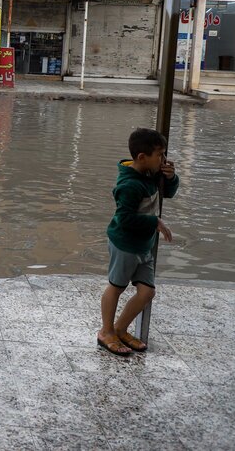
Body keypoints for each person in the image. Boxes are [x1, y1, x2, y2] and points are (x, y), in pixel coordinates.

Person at [98, 127, 179, 357]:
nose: (163, 159)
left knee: (147, 292)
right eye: (160, 154)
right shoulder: (129, 185)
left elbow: (168, 193)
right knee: (117, 286)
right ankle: (106, 332)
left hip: (144, 246)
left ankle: (120, 329)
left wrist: (171, 178)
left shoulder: (150, 174)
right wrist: (154, 222)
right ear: (142, 157)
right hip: (125, 244)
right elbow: (124, 219)